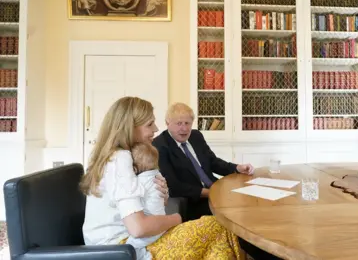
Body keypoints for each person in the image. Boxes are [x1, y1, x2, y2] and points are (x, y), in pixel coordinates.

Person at [81, 97, 242, 260]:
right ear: (130, 127)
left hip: (127, 242)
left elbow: (130, 211)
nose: (156, 129)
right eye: (150, 124)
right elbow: (138, 228)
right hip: (122, 249)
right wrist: (176, 218)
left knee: (217, 234)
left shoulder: (119, 156)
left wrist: (159, 198)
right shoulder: (120, 159)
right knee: (217, 227)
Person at [152, 102, 282, 260]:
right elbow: (174, 186)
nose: (184, 128)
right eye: (179, 123)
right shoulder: (160, 145)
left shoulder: (196, 136)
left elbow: (213, 162)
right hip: (194, 201)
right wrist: (211, 193)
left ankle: (272, 248)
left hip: (216, 189)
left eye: (187, 123)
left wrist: (236, 167)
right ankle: (264, 255)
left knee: (253, 206)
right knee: (237, 220)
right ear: (167, 123)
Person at [124, 142, 166, 260]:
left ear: (134, 168)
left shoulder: (140, 182)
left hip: (149, 226)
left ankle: (145, 256)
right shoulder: (158, 176)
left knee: (131, 245)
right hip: (160, 223)